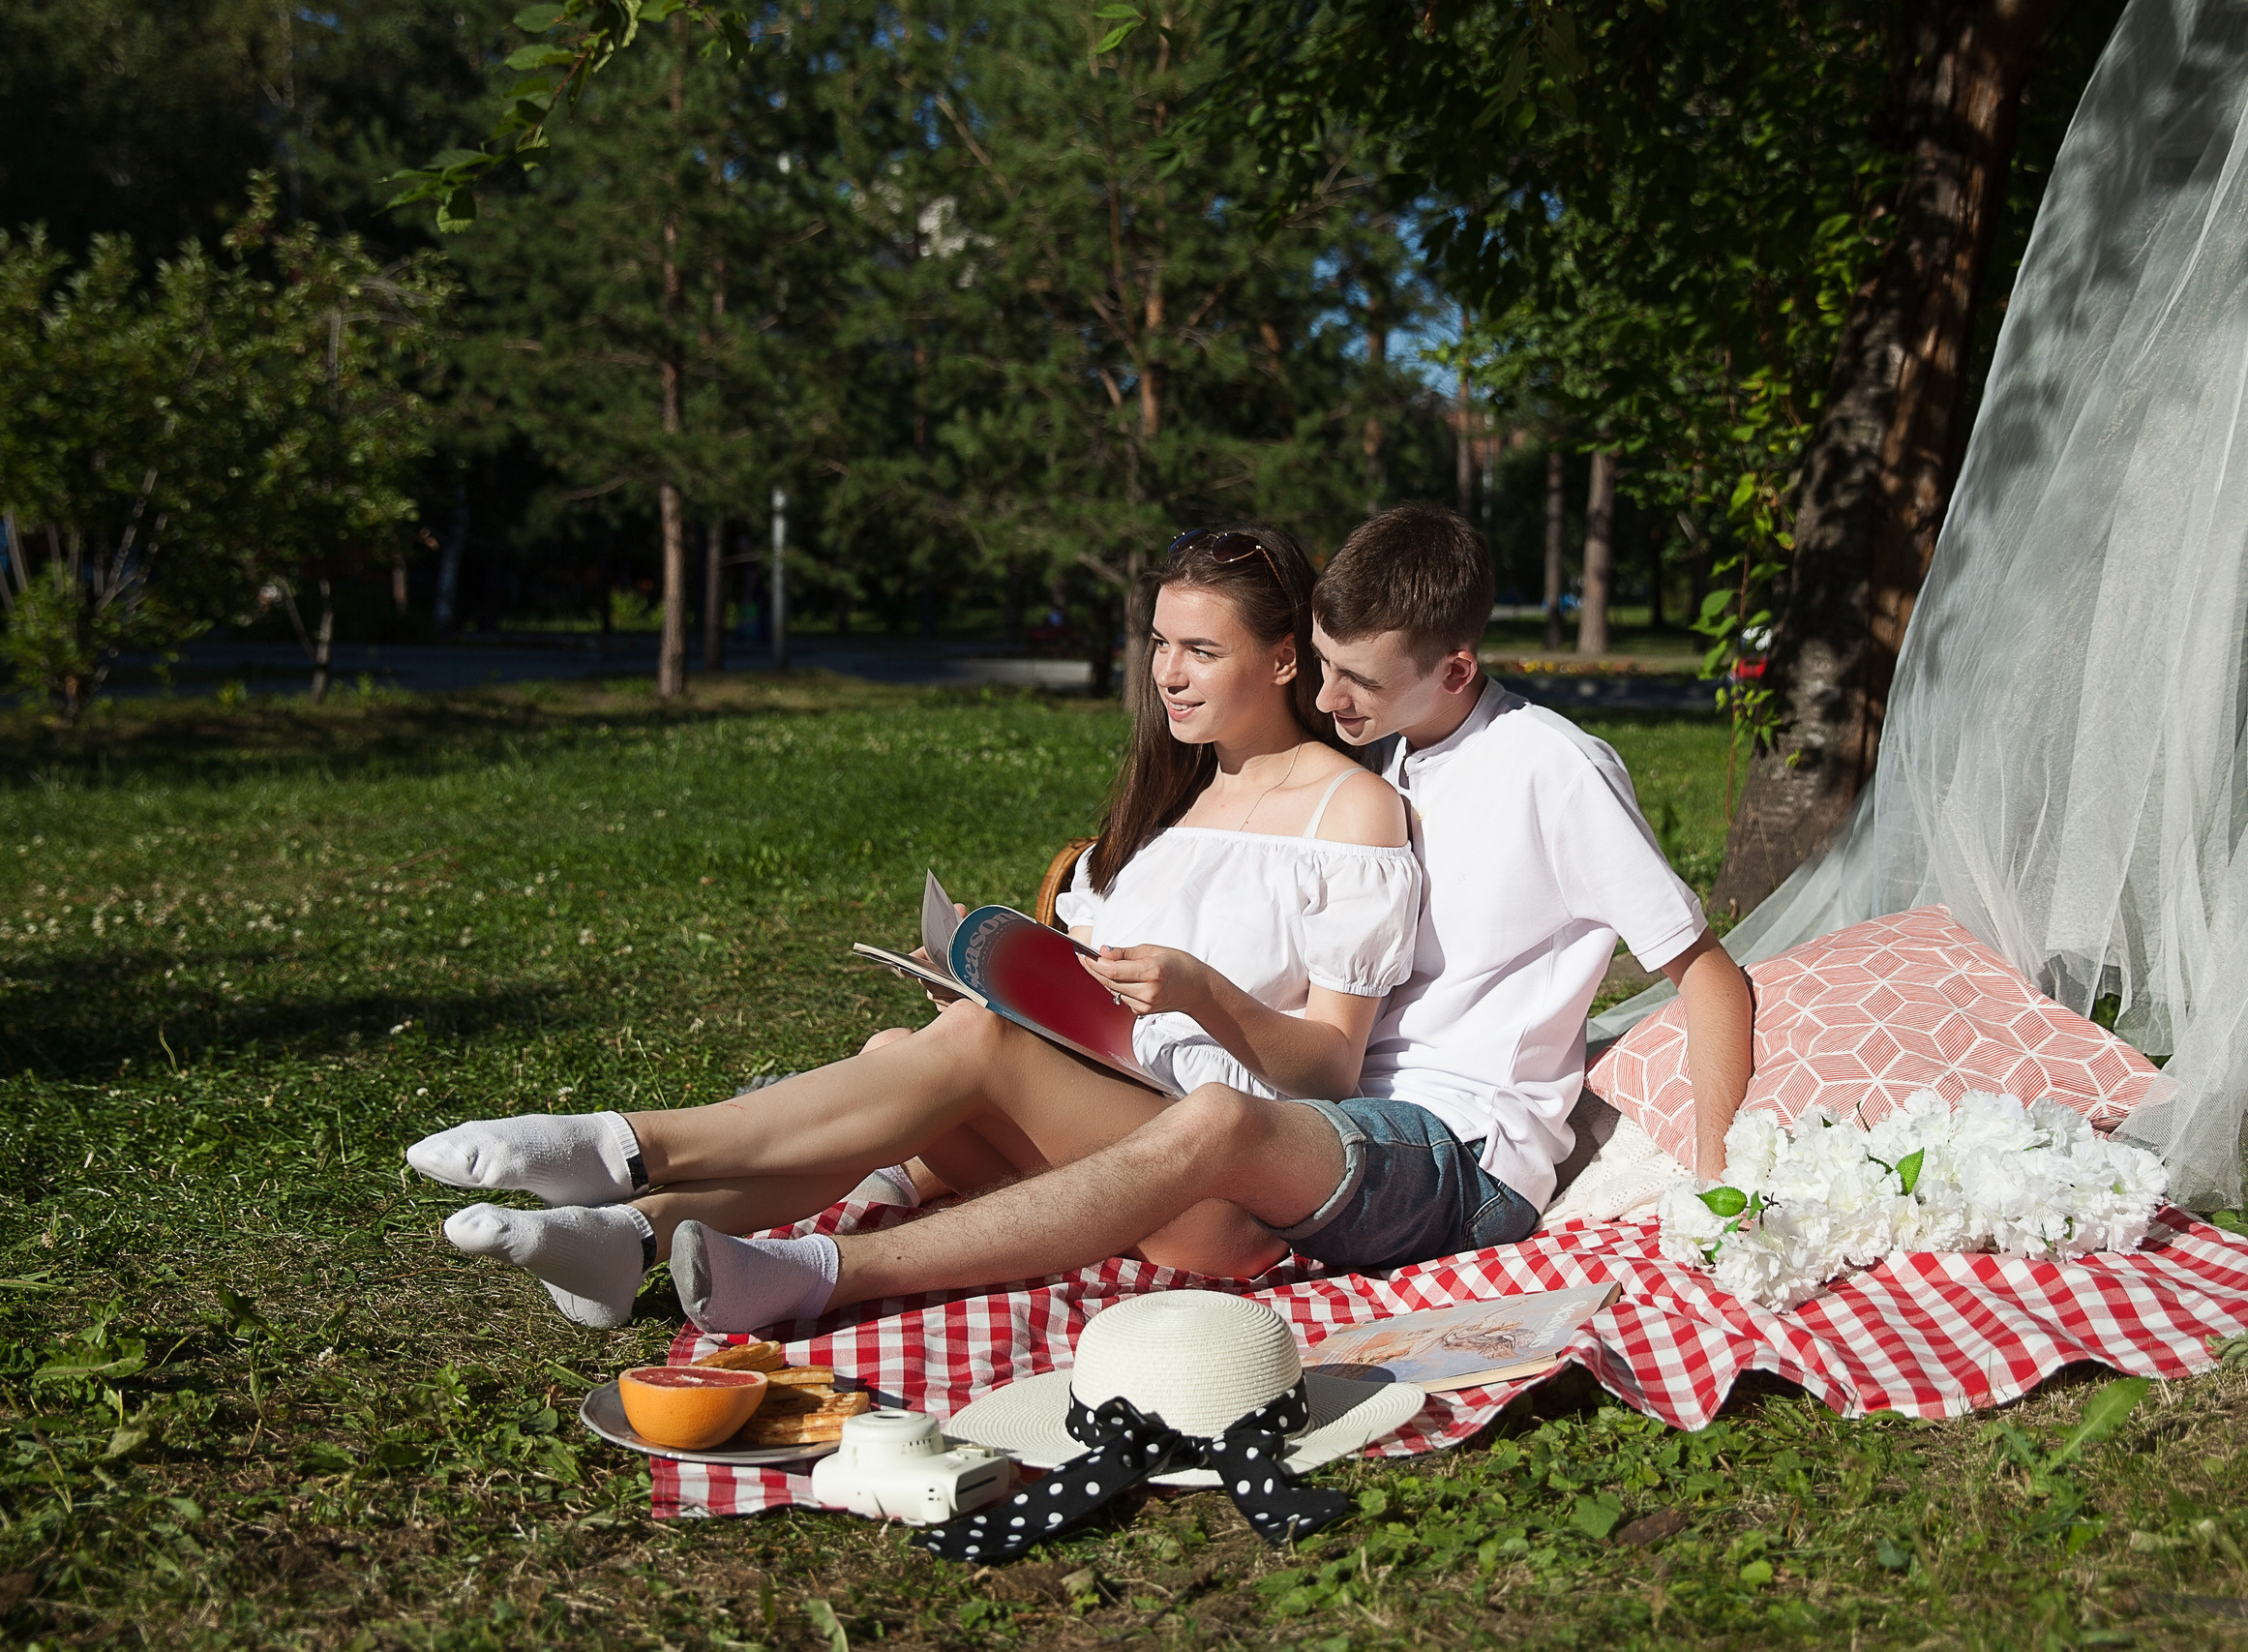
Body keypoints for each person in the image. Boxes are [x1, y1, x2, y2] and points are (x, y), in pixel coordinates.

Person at [661, 504, 1756, 1326]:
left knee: (1215, 1121)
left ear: (1457, 667)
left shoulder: (1554, 769)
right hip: (1334, 1129)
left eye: (1356, 682)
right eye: (1322, 666)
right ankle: (648, 1190)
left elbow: (1709, 975)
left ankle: (821, 1274)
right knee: (967, 1048)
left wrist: (1716, 1189)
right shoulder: (1399, 754)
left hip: (1461, 1152)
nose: (1326, 700)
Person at [404, 526, 1421, 1327]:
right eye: (1160, 643)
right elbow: (1092, 1001)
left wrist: (1202, 992)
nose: (1169, 674)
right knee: (912, 1048)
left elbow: (1331, 1071)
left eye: (1202, 650)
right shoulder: (1173, 801)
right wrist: (998, 973)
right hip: (1105, 1128)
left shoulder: (1350, 812)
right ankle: (629, 1238)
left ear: (1283, 660)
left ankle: (631, 1145)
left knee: (975, 1047)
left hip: (1220, 1188)